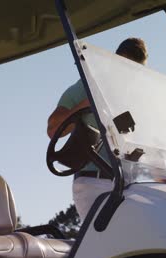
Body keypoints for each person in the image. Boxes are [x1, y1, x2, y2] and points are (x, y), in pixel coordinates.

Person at [47, 38, 148, 221]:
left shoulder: (139, 100)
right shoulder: (88, 86)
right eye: (123, 68)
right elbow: (54, 129)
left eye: (133, 72)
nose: (127, 77)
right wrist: (89, 103)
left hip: (128, 185)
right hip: (92, 183)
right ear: (114, 61)